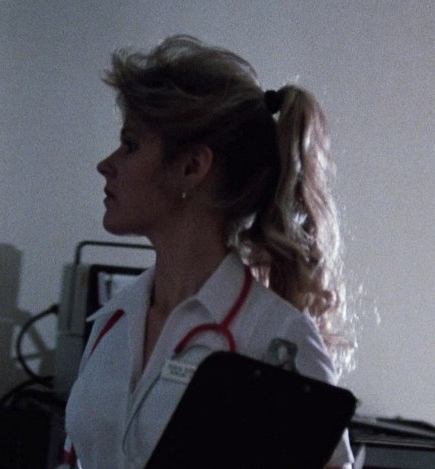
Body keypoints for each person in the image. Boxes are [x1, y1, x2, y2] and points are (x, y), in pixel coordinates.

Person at [63, 35, 355, 468]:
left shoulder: (278, 339)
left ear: (191, 167)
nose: (106, 165)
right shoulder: (114, 321)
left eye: (131, 145)